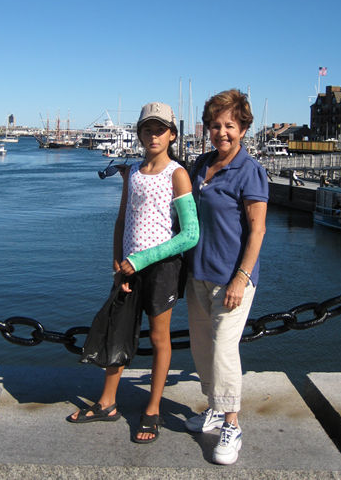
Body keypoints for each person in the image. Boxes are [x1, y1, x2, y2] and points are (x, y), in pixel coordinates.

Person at [68, 102, 199, 443]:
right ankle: (107, 402)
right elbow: (122, 220)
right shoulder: (134, 174)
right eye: (147, 130)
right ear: (139, 134)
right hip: (128, 267)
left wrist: (143, 259)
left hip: (162, 269)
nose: (154, 136)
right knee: (119, 331)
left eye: (160, 130)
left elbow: (190, 234)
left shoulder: (177, 174)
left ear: (172, 135)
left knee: (158, 338)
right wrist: (117, 261)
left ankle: (152, 409)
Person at [184, 89, 268, 465]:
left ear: (243, 129)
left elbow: (257, 230)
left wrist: (241, 278)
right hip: (198, 273)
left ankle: (232, 424)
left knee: (223, 350)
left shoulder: (250, 171)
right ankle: (215, 408)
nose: (222, 132)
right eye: (215, 125)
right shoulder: (201, 164)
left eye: (230, 125)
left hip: (231, 278)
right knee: (202, 347)